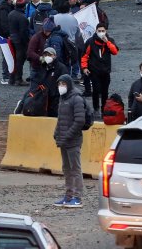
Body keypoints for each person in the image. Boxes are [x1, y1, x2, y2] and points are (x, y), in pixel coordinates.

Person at [52, 73, 90, 208]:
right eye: (59, 84)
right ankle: (68, 196)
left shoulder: (76, 99)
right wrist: (57, 133)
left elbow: (80, 121)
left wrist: (67, 135)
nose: (61, 87)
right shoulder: (63, 99)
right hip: (64, 140)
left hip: (73, 141)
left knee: (75, 169)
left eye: (63, 84)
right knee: (66, 168)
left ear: (69, 84)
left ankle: (77, 197)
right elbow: (61, 119)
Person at [81, 25, 118, 118]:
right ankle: (96, 108)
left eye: (103, 30)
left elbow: (115, 51)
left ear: (106, 31)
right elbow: (84, 55)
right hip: (94, 71)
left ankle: (104, 109)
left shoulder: (110, 40)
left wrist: (107, 42)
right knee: (96, 90)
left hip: (106, 71)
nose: (101, 32)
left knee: (105, 92)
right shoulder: (90, 42)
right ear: (96, 31)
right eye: (99, 30)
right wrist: (85, 68)